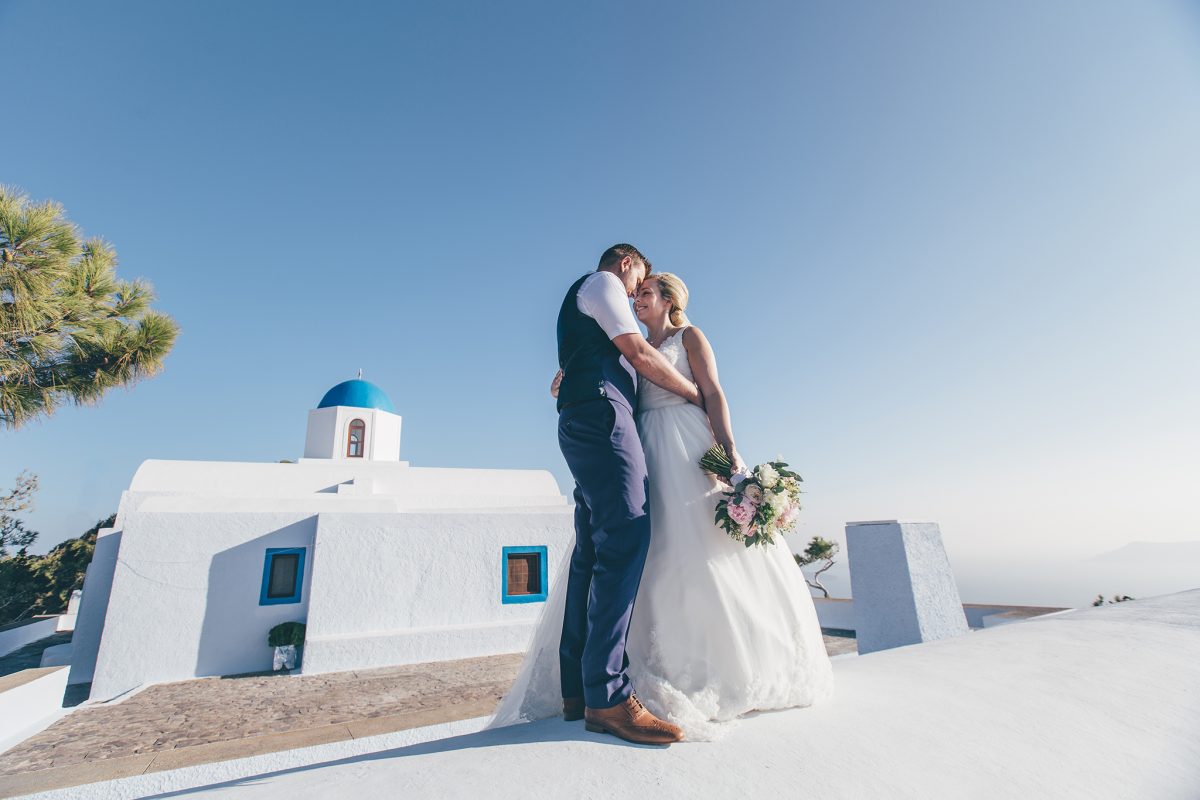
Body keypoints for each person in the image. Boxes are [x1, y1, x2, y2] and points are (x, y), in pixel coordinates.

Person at [492, 266, 834, 741]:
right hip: (642, 443)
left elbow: (713, 391)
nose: (638, 299)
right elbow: (600, 365)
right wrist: (563, 379)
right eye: (637, 293)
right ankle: (619, 674)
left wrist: (727, 446)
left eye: (647, 293)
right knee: (647, 548)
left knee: (699, 549)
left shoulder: (689, 336)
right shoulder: (626, 345)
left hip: (688, 444)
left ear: (670, 299)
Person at [545, 243, 702, 746]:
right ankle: (609, 697)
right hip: (601, 417)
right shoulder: (604, 283)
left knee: (591, 553)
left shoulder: (587, 311)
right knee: (628, 537)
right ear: (628, 264)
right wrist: (694, 394)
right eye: (639, 282)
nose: (636, 295)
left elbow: (600, 357)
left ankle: (578, 690)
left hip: (583, 416)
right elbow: (636, 352)